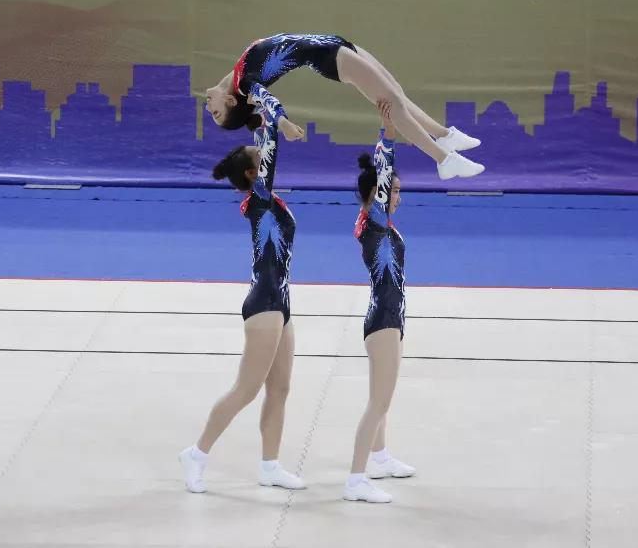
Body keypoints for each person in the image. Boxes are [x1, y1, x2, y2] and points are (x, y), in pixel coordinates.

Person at [178, 107, 305, 493]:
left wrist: (262, 117)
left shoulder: (267, 198)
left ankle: (270, 466)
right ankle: (196, 454)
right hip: (264, 302)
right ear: (253, 174)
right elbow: (270, 147)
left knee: (280, 389)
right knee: (246, 389)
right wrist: (274, 120)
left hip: (280, 301)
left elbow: (264, 145)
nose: (262, 153)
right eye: (258, 156)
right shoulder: (260, 199)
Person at [205, 33, 483, 180]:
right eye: (215, 113)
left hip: (333, 43)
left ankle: (445, 136)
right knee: (393, 105)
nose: (208, 108)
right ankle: (444, 160)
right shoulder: (246, 84)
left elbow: (242, 101)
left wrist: (244, 111)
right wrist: (284, 124)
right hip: (329, 58)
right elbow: (269, 101)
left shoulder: (237, 77)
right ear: (230, 101)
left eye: (213, 112)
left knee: (397, 93)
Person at [344, 101, 414, 504]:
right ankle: (355, 480)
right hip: (383, 321)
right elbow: (383, 171)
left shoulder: (380, 224)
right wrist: (387, 133)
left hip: (390, 317)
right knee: (378, 402)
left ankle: (380, 457)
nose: (399, 197)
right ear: (376, 194)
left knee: (383, 398)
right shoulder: (373, 222)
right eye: (394, 190)